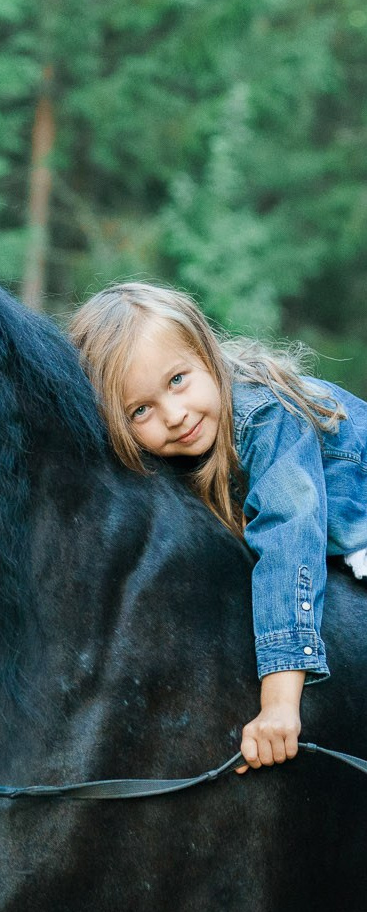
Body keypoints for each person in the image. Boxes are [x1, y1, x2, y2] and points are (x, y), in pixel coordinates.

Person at [68, 281, 367, 772]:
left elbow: (289, 543)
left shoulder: (264, 417)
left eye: (178, 380)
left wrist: (278, 706)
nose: (175, 415)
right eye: (140, 410)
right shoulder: (170, 453)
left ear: (206, 354)